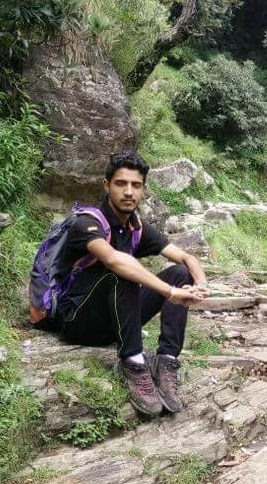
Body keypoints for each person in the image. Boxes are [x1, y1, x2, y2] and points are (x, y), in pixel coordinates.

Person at [47, 152, 207, 416]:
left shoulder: (136, 227)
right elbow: (112, 259)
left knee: (179, 272)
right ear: (106, 185)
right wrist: (169, 292)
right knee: (124, 269)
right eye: (121, 183)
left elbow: (186, 256)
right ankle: (133, 362)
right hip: (79, 322)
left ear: (144, 189)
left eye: (136, 185)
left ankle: (167, 360)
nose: (129, 192)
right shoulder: (87, 223)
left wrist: (200, 284)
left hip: (117, 323)